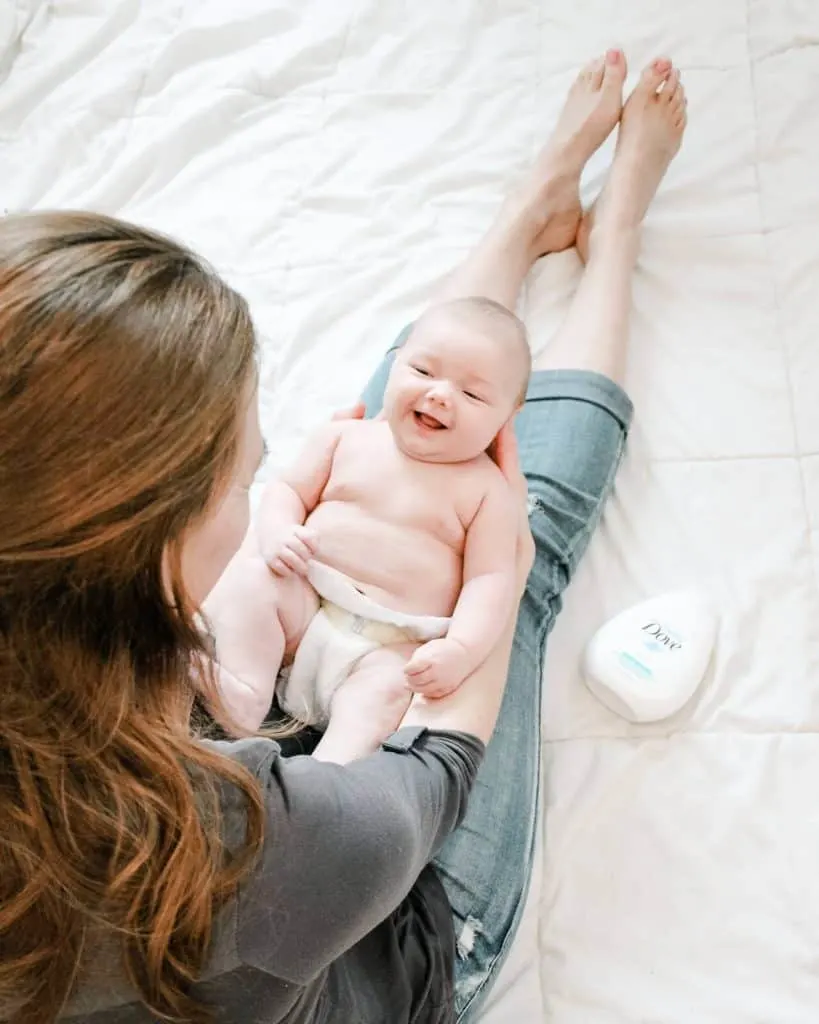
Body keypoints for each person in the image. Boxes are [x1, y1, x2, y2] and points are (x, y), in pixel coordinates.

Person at [0, 49, 686, 1024]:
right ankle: (615, 235)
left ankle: (531, 215)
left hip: (256, 810)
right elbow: (427, 773)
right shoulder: (236, 839)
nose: (260, 485)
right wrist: (487, 585)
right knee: (496, 576)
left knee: (394, 436)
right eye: (244, 474)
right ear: (136, 546)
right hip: (372, 924)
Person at [213, 296, 532, 758]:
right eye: (423, 371)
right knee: (254, 579)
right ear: (395, 364)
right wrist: (279, 531)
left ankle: (330, 771)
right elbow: (287, 490)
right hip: (306, 603)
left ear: (509, 415)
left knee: (385, 693)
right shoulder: (345, 437)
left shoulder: (488, 492)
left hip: (388, 646)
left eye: (473, 394)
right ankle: (243, 691)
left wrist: (461, 649)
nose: (441, 394)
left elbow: (490, 579)